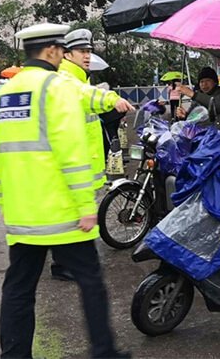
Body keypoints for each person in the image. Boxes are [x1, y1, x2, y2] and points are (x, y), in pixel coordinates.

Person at [0, 23, 130, 359]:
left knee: (18, 289)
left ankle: (14, 355)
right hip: (63, 215)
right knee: (91, 282)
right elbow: (72, 153)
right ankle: (104, 351)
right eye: (63, 50)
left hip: (22, 217)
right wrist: (86, 205)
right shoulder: (57, 88)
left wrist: (4, 204)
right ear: (52, 51)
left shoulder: (5, 93)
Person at [51, 28, 133, 281]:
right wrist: (111, 98)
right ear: (67, 54)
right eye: (81, 51)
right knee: (72, 213)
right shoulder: (67, 78)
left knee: (77, 213)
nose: (87, 55)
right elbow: (84, 97)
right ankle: (64, 265)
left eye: (89, 51)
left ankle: (70, 262)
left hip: (83, 158)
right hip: (75, 160)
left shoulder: (80, 77)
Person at [176, 67, 220, 133]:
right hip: (201, 136)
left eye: (208, 80)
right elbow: (194, 117)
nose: (204, 84)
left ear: (215, 82)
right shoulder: (197, 97)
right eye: (202, 81)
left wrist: (192, 94)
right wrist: (185, 116)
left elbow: (216, 105)